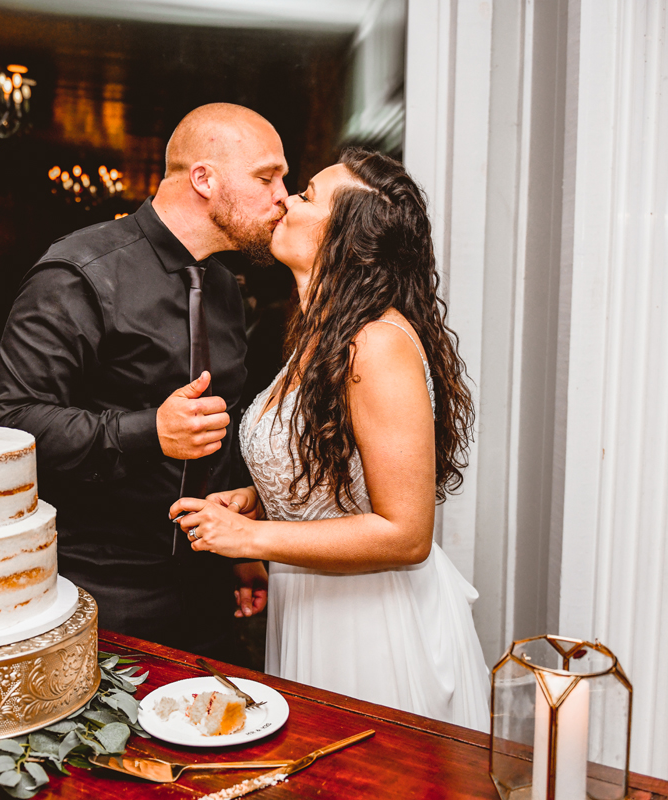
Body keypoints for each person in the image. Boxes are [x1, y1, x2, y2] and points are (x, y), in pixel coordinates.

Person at [170, 148, 492, 728]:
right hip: (314, 606)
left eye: (308, 194)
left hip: (373, 627)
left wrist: (250, 537)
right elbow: (336, 478)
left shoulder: (377, 343)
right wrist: (258, 497)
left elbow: (405, 533)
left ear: (348, 235)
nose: (287, 199)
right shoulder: (319, 336)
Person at [0, 103, 285, 661]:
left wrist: (241, 548)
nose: (282, 197)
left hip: (206, 586)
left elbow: (227, 425)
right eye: (267, 177)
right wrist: (150, 430)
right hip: (99, 586)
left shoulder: (224, 287)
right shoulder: (80, 273)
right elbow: (10, 421)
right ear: (204, 179)